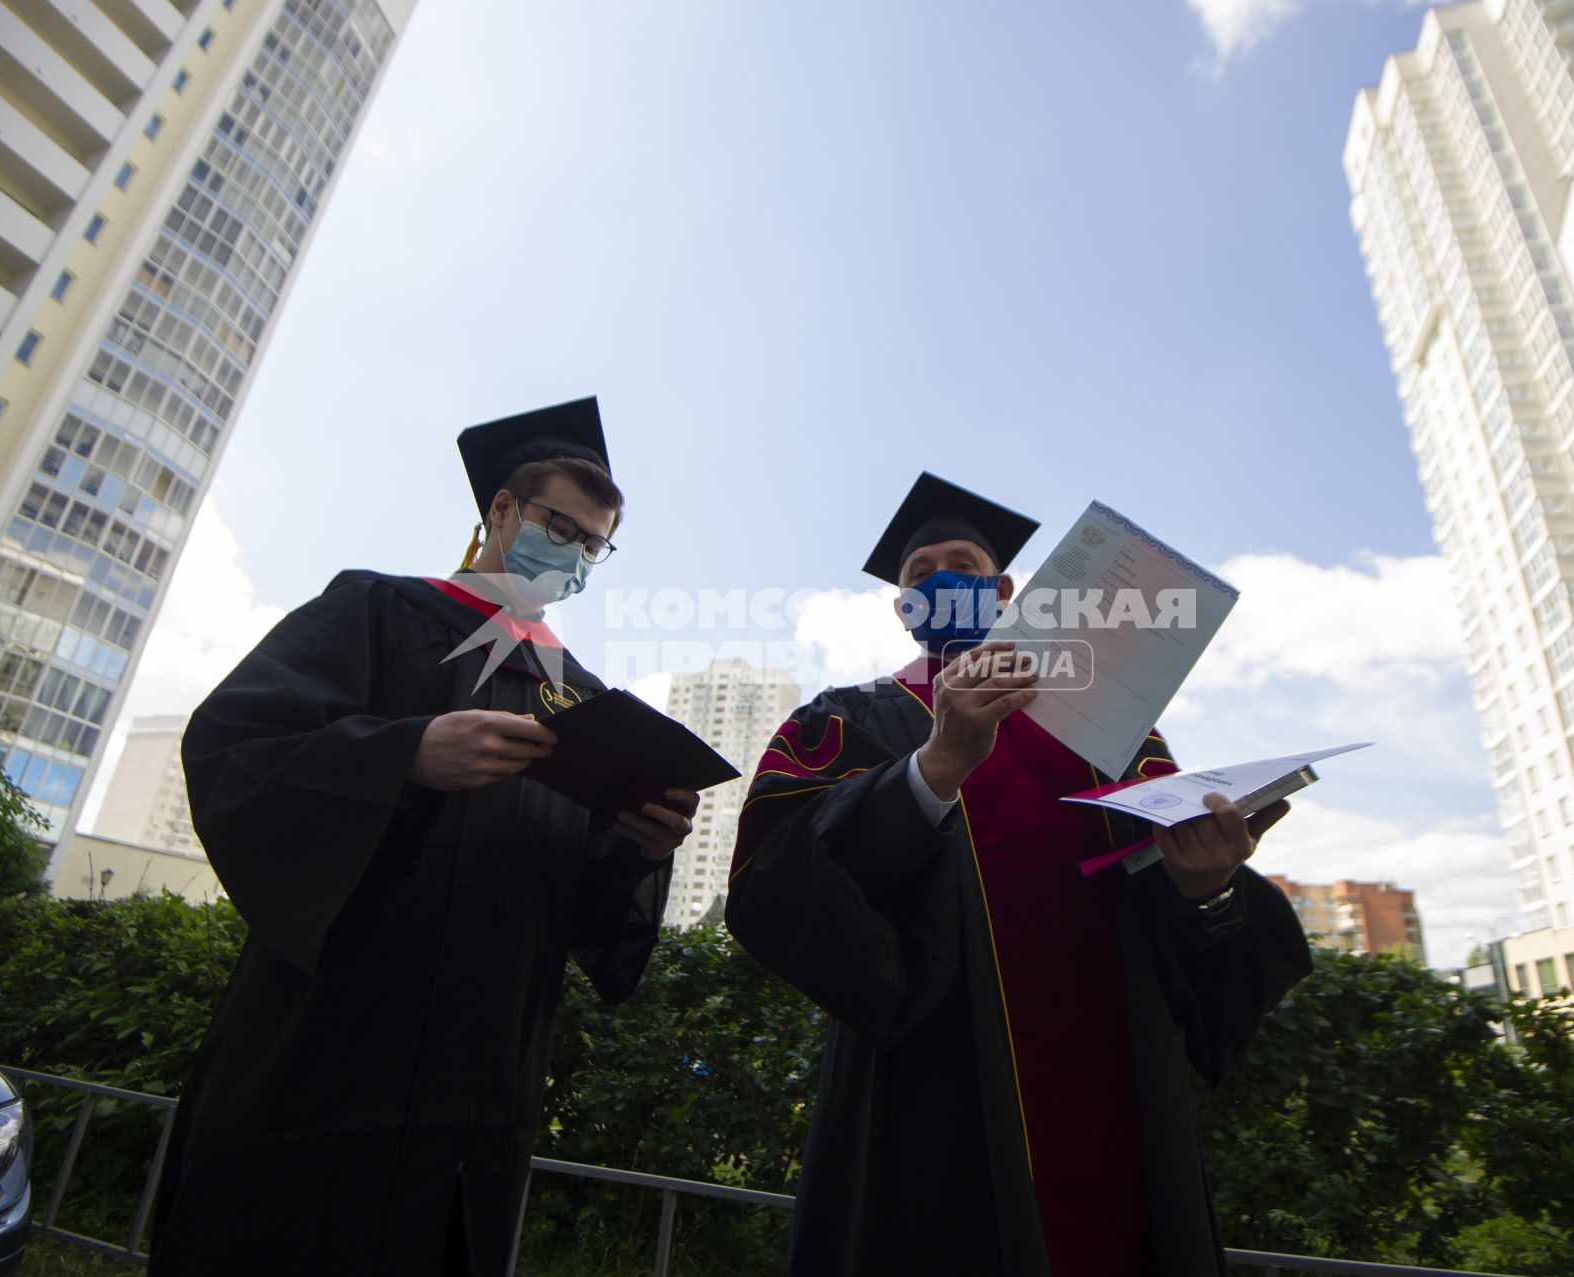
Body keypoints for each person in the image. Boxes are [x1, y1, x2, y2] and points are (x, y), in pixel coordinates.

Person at [149, 398, 697, 1276]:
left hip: (477, 1094)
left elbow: (577, 908)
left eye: (595, 546)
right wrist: (404, 752)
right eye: (565, 527)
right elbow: (235, 749)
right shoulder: (376, 611)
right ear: (503, 512)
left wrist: (637, 845)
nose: (578, 558)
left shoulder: (581, 700)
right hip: (319, 1055)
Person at [726, 472, 1313, 1277]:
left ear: (1003, 589)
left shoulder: (1109, 723)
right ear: (903, 610)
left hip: (1114, 1077)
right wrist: (934, 767)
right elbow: (778, 881)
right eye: (919, 574)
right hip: (936, 1089)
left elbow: (1164, 883)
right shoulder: (843, 721)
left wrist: (1207, 886)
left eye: (960, 564)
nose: (940, 580)